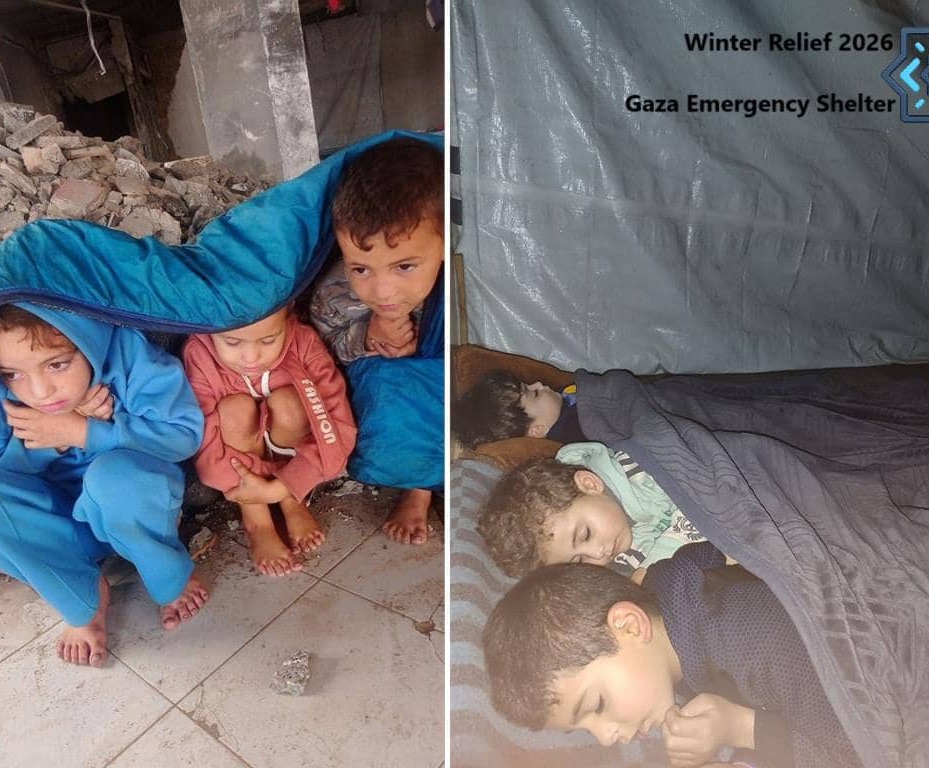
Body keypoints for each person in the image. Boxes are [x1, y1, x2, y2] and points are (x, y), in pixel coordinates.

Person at [482, 544, 862, 768]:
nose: (607, 738)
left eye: (596, 705)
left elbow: (861, 749)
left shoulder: (758, 639)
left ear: (631, 626)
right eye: (583, 730)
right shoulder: (674, 611)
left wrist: (743, 728)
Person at [0, 303, 208, 667]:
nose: (40, 391)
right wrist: (53, 440)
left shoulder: (127, 357)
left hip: (133, 511)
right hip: (63, 529)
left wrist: (86, 432)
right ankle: (84, 597)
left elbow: (183, 436)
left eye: (57, 364)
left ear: (85, 340)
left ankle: (169, 578)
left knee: (115, 479)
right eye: (13, 374)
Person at [310, 137, 444, 545]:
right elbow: (319, 351)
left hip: (441, 380)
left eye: (404, 266)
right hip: (388, 389)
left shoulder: (459, 280)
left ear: (444, 242)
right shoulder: (335, 292)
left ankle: (423, 486)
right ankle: (417, 484)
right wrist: (366, 336)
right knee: (388, 401)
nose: (382, 292)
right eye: (362, 269)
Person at [183, 306, 357, 576]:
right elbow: (205, 446)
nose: (251, 358)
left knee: (290, 403)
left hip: (289, 450)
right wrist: (256, 489)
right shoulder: (199, 353)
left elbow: (338, 427)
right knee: (233, 410)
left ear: (288, 319)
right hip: (242, 461)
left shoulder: (303, 342)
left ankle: (293, 500)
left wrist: (281, 488)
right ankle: (257, 519)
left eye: (268, 340)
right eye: (232, 342)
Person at [478, 446, 705, 577]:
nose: (598, 554)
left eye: (585, 534)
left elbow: (700, 499)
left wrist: (649, 569)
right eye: (578, 560)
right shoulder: (623, 556)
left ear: (589, 484)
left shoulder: (637, 469)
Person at [453, 369, 584, 447]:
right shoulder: (575, 427)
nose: (538, 384)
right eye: (535, 393)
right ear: (538, 430)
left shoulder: (558, 405)